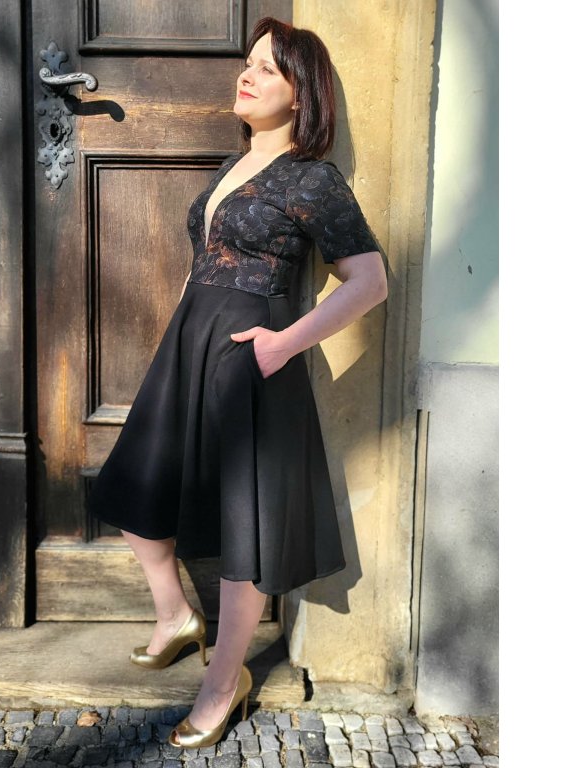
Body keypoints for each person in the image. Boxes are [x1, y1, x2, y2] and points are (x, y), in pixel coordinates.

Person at [85, 16, 388, 748]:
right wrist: (182, 334)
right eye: (248, 62)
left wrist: (285, 344)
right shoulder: (233, 164)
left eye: (268, 69)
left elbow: (370, 281)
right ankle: (175, 616)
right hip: (191, 343)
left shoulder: (313, 178)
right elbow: (208, 263)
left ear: (302, 94)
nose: (247, 75)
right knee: (132, 483)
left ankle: (226, 681)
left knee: (245, 521)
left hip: (254, 357)